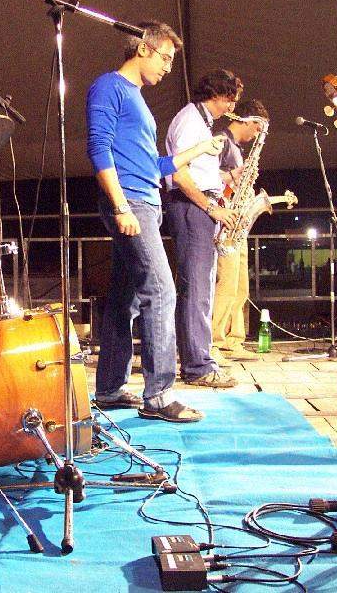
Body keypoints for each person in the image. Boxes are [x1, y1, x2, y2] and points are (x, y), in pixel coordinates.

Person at [87, 21, 226, 423]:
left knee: (124, 297)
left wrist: (199, 148)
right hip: (131, 202)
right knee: (162, 291)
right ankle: (160, 394)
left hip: (146, 199)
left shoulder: (137, 98)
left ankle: (111, 388)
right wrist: (120, 207)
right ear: (143, 49)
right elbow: (98, 147)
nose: (168, 67)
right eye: (165, 57)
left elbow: (152, 165)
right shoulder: (109, 86)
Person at [164, 70, 243, 387]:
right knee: (197, 289)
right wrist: (211, 206)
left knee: (202, 288)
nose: (231, 108)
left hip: (201, 207)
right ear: (221, 96)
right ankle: (198, 366)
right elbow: (179, 175)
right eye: (231, 100)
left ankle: (198, 360)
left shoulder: (200, 122)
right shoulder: (190, 121)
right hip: (192, 207)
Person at [211, 98, 269, 359]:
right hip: (225, 223)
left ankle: (233, 340)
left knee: (240, 287)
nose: (257, 134)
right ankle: (213, 342)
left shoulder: (235, 148)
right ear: (248, 121)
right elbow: (207, 178)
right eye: (257, 128)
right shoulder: (221, 141)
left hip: (238, 222)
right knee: (225, 287)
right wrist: (236, 176)